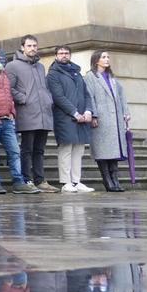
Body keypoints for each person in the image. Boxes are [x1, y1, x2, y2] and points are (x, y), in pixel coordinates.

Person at [0, 45, 40, 194]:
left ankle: (18, 182)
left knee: (14, 152)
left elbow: (8, 93)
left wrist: (12, 111)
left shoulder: (2, 70)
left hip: (7, 119)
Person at [46, 46, 95, 193]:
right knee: (66, 149)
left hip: (82, 117)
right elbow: (58, 97)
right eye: (61, 53)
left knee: (79, 150)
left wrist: (88, 111)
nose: (64, 55)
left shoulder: (77, 73)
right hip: (64, 117)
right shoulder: (53, 74)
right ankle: (66, 182)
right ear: (56, 56)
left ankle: (76, 181)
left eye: (66, 53)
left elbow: (86, 94)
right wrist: (75, 113)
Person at [83, 51, 132, 193]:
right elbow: (89, 96)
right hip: (101, 119)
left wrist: (126, 112)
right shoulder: (90, 77)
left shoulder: (112, 77)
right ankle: (108, 181)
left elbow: (122, 96)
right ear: (96, 60)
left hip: (115, 120)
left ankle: (115, 180)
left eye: (108, 57)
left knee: (114, 151)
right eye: (103, 57)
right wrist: (93, 115)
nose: (107, 59)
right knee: (102, 151)